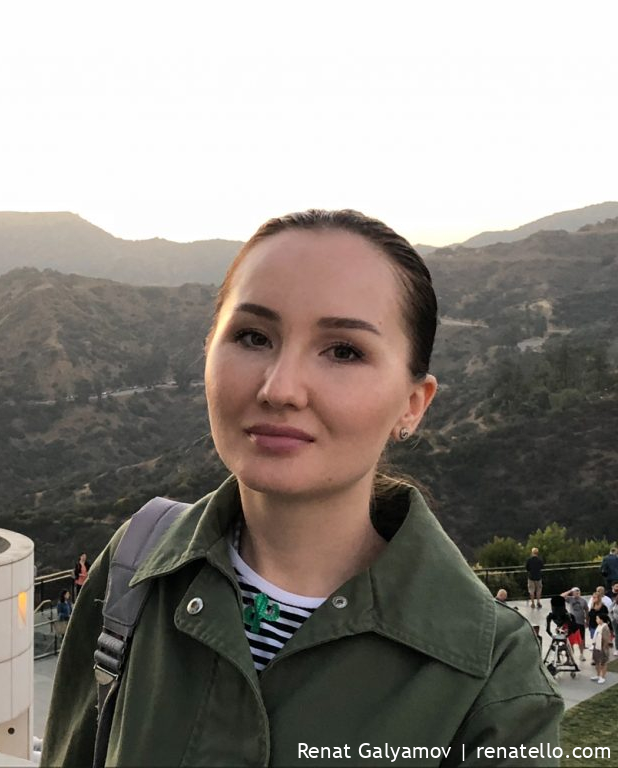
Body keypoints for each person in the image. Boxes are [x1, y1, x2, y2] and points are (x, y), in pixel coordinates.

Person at [42, 209, 563, 766]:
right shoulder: (135, 566)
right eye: (252, 336)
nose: (280, 388)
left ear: (413, 405)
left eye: (343, 350)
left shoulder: (491, 674)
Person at [561, 587, 589, 661]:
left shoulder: (583, 601)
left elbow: (586, 610)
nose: (577, 593)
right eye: (575, 592)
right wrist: (570, 591)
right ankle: (571, 655)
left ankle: (581, 654)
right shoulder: (570, 599)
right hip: (572, 623)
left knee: (581, 639)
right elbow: (561, 596)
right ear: (573, 593)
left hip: (581, 622)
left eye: (578, 592)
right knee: (571, 640)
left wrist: (587, 620)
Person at [590, 613, 612, 684]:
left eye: (597, 618)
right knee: (597, 662)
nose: (596, 620)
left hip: (602, 648)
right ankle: (598, 675)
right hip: (596, 646)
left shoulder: (605, 627)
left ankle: (602, 677)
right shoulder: (599, 626)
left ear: (601, 619)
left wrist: (604, 649)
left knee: (603, 663)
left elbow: (606, 639)